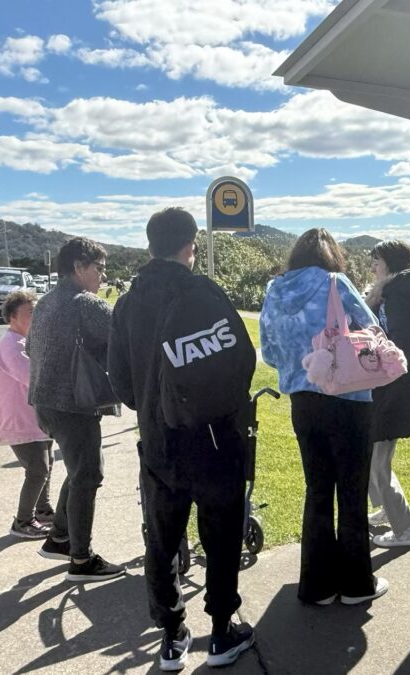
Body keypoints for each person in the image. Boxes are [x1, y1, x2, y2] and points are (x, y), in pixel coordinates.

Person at [108, 207, 256, 671]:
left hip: (158, 443)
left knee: (162, 541)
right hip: (214, 439)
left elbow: (121, 383)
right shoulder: (205, 293)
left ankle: (171, 637)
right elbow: (242, 360)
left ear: (149, 245)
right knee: (223, 536)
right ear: (190, 245)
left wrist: (155, 407)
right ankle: (221, 632)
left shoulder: (128, 303)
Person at [259, 228, 389, 606]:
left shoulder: (274, 291)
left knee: (317, 490)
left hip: (304, 401)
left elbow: (268, 352)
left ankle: (317, 585)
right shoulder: (337, 282)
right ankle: (355, 584)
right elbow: (373, 331)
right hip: (349, 398)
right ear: (333, 255)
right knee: (352, 490)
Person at [27, 237, 125, 583]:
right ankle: (81, 560)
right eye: (99, 268)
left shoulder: (46, 302)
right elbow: (125, 334)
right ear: (78, 267)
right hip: (74, 404)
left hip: (45, 402)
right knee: (88, 476)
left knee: (79, 468)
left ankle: (60, 538)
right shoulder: (86, 304)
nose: (103, 275)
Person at [363, 241, 410, 548]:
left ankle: (407, 529)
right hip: (395, 385)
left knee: (378, 461)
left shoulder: (397, 297)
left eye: (377, 262)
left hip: (393, 386)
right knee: (376, 458)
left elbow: (397, 345)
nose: (373, 268)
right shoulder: (398, 292)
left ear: (389, 264)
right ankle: (387, 508)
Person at [0, 289, 55, 539]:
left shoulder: (24, 342)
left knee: (47, 464)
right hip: (20, 421)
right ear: (12, 318)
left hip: (35, 419)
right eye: (30, 312)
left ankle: (43, 510)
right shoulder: (11, 346)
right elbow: (33, 377)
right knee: (38, 469)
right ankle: (23, 519)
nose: (36, 317)